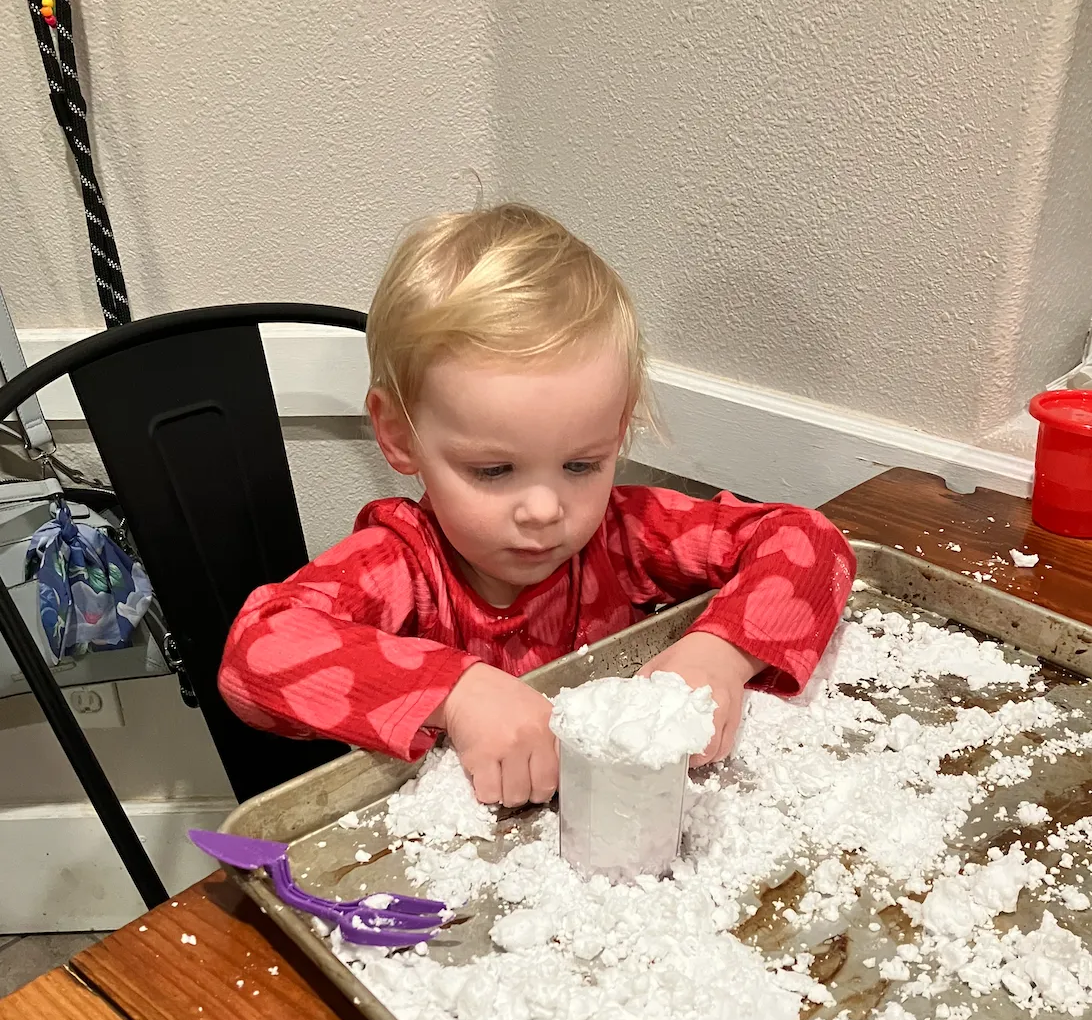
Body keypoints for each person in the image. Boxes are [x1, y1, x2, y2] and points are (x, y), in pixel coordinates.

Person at [220, 204, 855, 806]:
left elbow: (808, 539)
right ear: (399, 435)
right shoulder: (404, 567)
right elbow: (256, 653)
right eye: (494, 470)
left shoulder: (625, 534)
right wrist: (456, 692)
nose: (546, 509)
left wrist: (722, 650)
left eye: (583, 464)